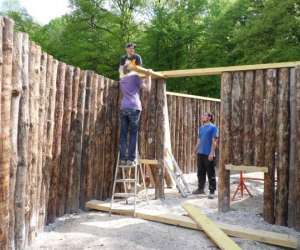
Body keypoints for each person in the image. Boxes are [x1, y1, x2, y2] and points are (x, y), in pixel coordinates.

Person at [118, 45, 147, 166]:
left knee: (124, 134)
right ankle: (131, 159)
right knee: (133, 133)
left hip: (124, 107)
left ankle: (123, 158)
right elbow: (146, 87)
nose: (132, 50)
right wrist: (148, 76)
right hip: (134, 107)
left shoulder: (122, 80)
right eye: (130, 48)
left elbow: (122, 71)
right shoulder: (135, 77)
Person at [193, 112, 219, 199]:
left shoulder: (213, 128)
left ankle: (212, 191)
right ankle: (200, 189)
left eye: (204, 115)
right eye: (202, 115)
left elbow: (214, 141)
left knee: (210, 173)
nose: (202, 116)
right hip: (200, 153)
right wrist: (194, 151)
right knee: (200, 172)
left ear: (209, 117)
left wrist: (212, 152)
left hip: (209, 154)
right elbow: (199, 141)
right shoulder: (201, 128)